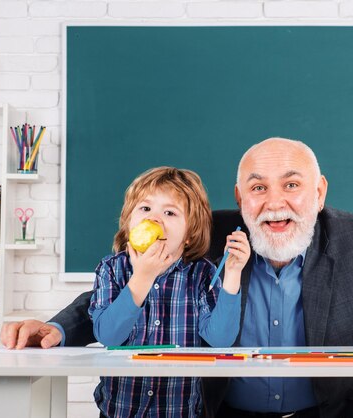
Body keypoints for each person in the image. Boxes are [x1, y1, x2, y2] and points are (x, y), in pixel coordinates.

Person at [1, 138, 353, 418]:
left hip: (342, 412)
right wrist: (58, 328)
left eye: (292, 185)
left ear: (319, 192)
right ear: (240, 199)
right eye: (258, 187)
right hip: (225, 415)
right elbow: (126, 289)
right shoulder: (201, 232)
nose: (275, 201)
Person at [89, 167, 250, 418]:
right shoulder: (111, 269)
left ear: (189, 234)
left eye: (170, 212)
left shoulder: (203, 275)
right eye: (145, 209)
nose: (154, 219)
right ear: (128, 221)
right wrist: (142, 276)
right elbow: (108, 335)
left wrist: (232, 274)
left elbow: (220, 339)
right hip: (119, 411)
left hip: (180, 411)